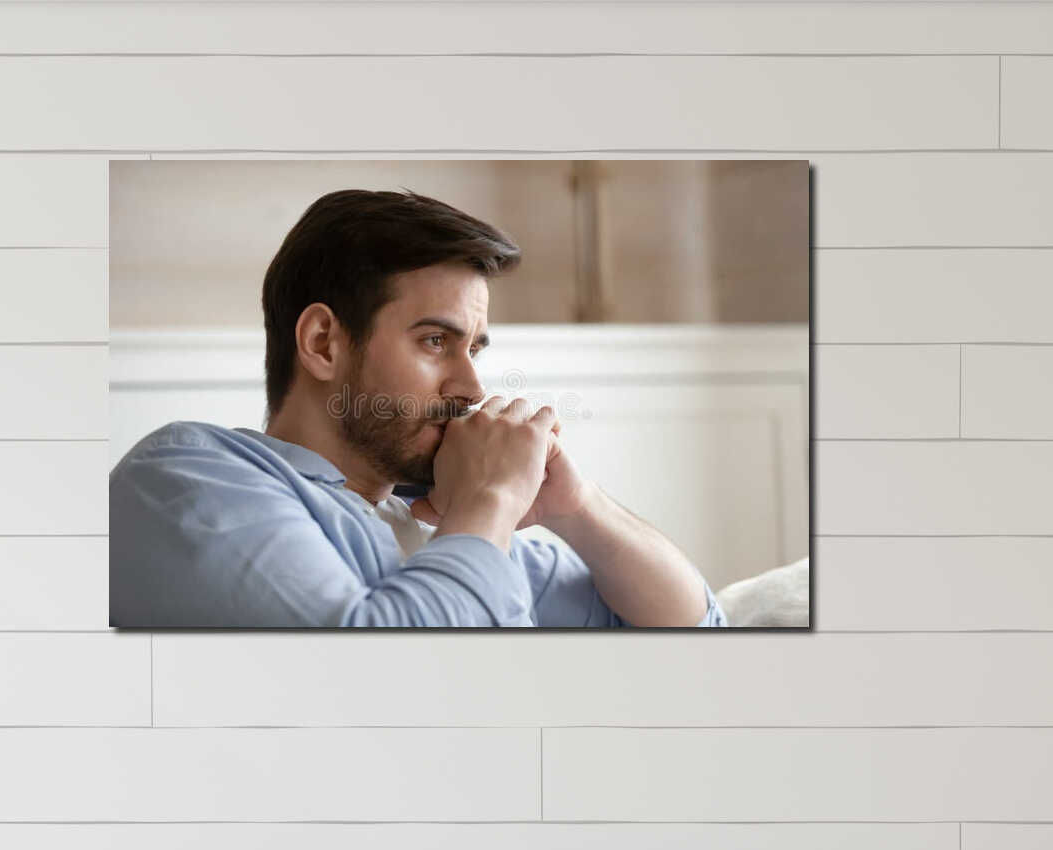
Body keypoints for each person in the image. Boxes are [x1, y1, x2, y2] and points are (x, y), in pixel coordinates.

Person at [108, 188, 727, 628]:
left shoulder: (446, 523)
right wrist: (489, 503)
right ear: (324, 342)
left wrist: (577, 508)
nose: (470, 388)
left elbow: (696, 627)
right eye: (436, 341)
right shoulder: (190, 477)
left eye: (474, 348)